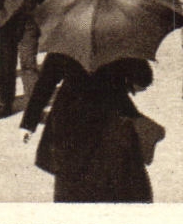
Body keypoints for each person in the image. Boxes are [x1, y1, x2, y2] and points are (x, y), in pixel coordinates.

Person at [22, 57, 158, 203]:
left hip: (70, 118)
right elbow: (144, 78)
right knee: (116, 186)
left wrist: (29, 123)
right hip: (111, 116)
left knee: (72, 186)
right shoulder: (122, 39)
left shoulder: (68, 40)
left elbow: (46, 81)